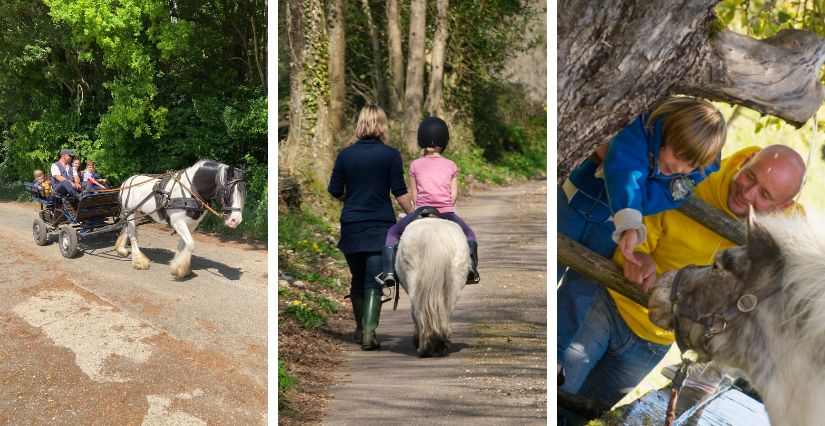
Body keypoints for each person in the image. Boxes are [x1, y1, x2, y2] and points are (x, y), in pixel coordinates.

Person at [558, 145, 806, 422]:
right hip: (608, 302)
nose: (747, 193)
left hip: (655, 340)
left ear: (783, 207)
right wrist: (638, 254)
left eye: (764, 194)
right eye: (750, 177)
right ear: (746, 162)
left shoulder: (785, 234)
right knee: (555, 392)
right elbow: (640, 223)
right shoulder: (695, 177)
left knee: (582, 414)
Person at [557, 97, 727, 373]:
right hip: (573, 201)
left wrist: (633, 208)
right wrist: (632, 197)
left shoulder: (689, 173)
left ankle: (555, 349)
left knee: (581, 289)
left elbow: (656, 196)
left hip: (609, 227)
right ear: (666, 133)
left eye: (690, 165)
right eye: (679, 157)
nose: (681, 168)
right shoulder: (640, 128)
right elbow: (625, 168)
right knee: (550, 262)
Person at [328, 104, 414, 351]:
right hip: (380, 226)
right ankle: (368, 333)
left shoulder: (345, 155)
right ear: (382, 125)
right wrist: (414, 214)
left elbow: (334, 190)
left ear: (361, 123)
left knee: (357, 279)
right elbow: (399, 191)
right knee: (373, 280)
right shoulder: (391, 155)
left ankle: (359, 329)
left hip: (352, 224)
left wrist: (351, 200)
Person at [378, 116, 480, 287]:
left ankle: (388, 272)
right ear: (443, 141)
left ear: (421, 140)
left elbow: (415, 195)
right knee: (470, 235)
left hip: (421, 211)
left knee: (392, 234)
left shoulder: (415, 165)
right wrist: (445, 205)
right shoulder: (451, 165)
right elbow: (453, 195)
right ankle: (471, 268)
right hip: (446, 212)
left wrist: (419, 208)